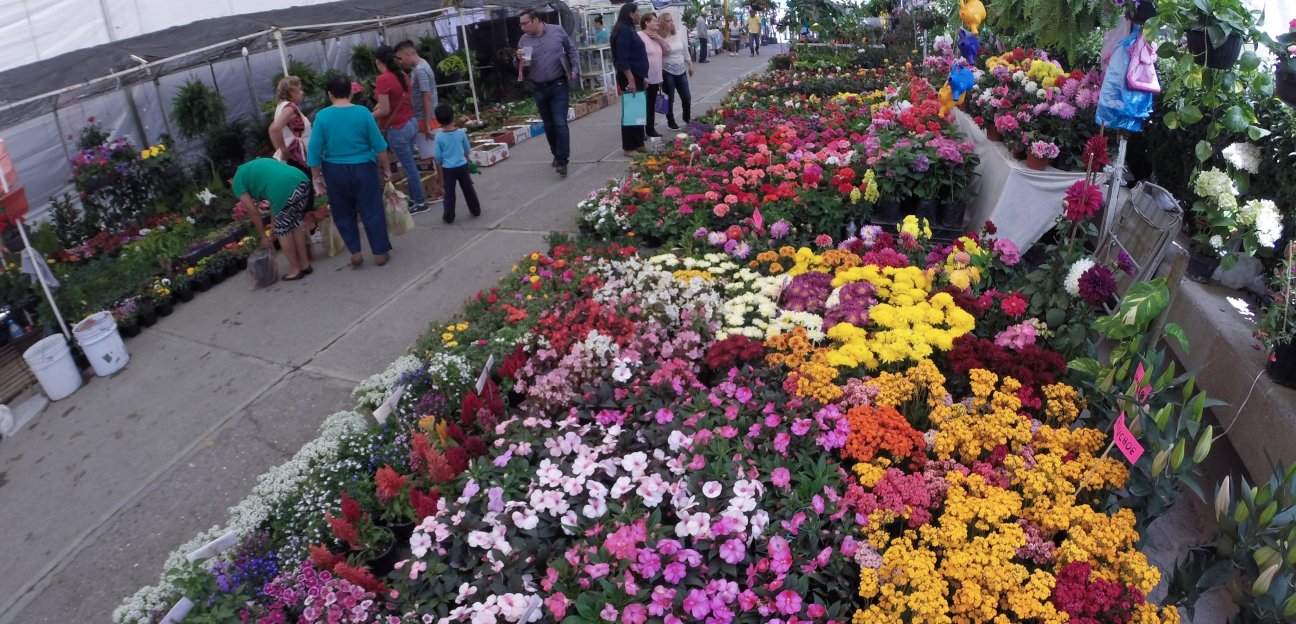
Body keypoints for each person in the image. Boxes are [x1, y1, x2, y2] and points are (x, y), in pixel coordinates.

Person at [308, 74, 394, 268]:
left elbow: (314, 148)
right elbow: (378, 145)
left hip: (335, 171)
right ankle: (380, 252)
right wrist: (387, 168)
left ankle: (355, 252)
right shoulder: (363, 113)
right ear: (351, 92)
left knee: (342, 212)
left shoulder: (322, 116)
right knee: (371, 209)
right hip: (364, 167)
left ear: (329, 94)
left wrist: (316, 176)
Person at [515, 9, 581, 177]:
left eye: (525, 23)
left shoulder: (557, 31)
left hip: (558, 83)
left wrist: (574, 67)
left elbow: (571, 49)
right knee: (549, 125)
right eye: (521, 24)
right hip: (538, 86)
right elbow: (519, 68)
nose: (522, 27)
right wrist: (518, 59)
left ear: (536, 20)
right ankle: (556, 154)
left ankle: (563, 160)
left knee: (560, 122)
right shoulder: (524, 40)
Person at [233, 158, 314, 280]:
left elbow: (254, 212)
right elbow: (274, 202)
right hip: (302, 180)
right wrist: (273, 225)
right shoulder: (256, 164)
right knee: (294, 223)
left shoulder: (237, 180)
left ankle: (295, 269)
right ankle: (305, 264)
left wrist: (264, 237)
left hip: (283, 189)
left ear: (229, 180)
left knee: (283, 232)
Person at [372, 45, 428, 214]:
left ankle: (420, 202)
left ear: (378, 61)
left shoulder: (383, 79)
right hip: (411, 123)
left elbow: (385, 110)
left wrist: (366, 116)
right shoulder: (402, 75)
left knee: (408, 167)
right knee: (411, 164)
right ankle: (415, 200)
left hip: (398, 128)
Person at [395, 40, 444, 211]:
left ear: (408, 54)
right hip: (427, 117)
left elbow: (427, 96)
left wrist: (427, 122)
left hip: (426, 118)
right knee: (434, 156)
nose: (401, 62)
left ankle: (442, 189)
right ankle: (442, 187)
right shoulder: (422, 66)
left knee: (435, 156)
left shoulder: (421, 70)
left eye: (401, 58)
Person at [268, 76, 315, 231]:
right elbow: (274, 129)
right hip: (297, 157)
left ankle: (307, 233)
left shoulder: (281, 107)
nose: (302, 92)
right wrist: (284, 150)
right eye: (299, 88)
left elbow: (272, 128)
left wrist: (281, 150)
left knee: (300, 198)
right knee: (307, 198)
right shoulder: (291, 108)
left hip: (293, 158)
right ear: (291, 91)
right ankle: (312, 232)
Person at [432, 103, 481, 224]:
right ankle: (475, 210)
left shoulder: (439, 137)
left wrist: (440, 166)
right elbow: (467, 149)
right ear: (453, 116)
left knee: (449, 193)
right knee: (468, 189)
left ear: (438, 120)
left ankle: (449, 216)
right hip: (462, 166)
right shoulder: (461, 133)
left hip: (448, 168)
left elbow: (437, 156)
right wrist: (465, 156)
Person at [610, 2, 648, 156]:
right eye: (637, 12)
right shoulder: (623, 31)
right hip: (629, 76)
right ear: (631, 14)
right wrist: (631, 80)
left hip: (637, 75)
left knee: (638, 110)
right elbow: (623, 58)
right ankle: (628, 147)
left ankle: (639, 142)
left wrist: (642, 77)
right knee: (631, 111)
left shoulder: (630, 29)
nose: (640, 14)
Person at [659, 13, 693, 130]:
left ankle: (687, 117)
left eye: (672, 20)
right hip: (667, 71)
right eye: (668, 21)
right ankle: (670, 120)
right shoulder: (660, 38)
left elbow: (685, 50)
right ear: (662, 24)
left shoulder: (678, 34)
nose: (671, 23)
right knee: (669, 98)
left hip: (681, 70)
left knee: (686, 96)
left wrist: (690, 64)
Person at [638, 12, 668, 139]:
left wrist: (659, 38)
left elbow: (667, 49)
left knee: (651, 104)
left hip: (656, 77)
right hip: (644, 77)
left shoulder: (656, 37)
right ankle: (639, 131)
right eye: (655, 21)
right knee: (640, 105)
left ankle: (650, 129)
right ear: (646, 23)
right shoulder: (639, 36)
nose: (658, 23)